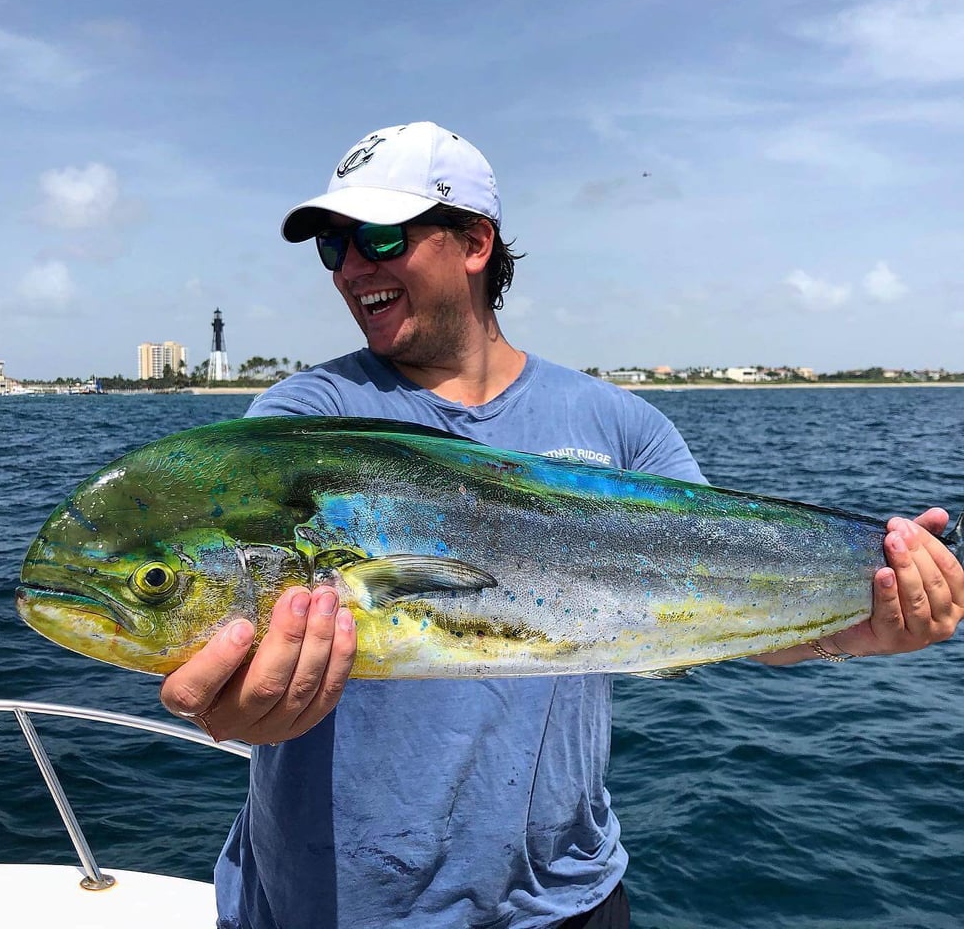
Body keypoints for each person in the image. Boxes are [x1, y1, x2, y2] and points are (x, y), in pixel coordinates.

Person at [160, 121, 964, 929]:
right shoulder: (303, 420)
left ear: (475, 241)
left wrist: (852, 630)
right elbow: (223, 634)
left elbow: (723, 610)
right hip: (331, 906)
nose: (354, 268)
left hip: (565, 899)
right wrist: (226, 706)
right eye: (335, 248)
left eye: (378, 237)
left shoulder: (619, 425)